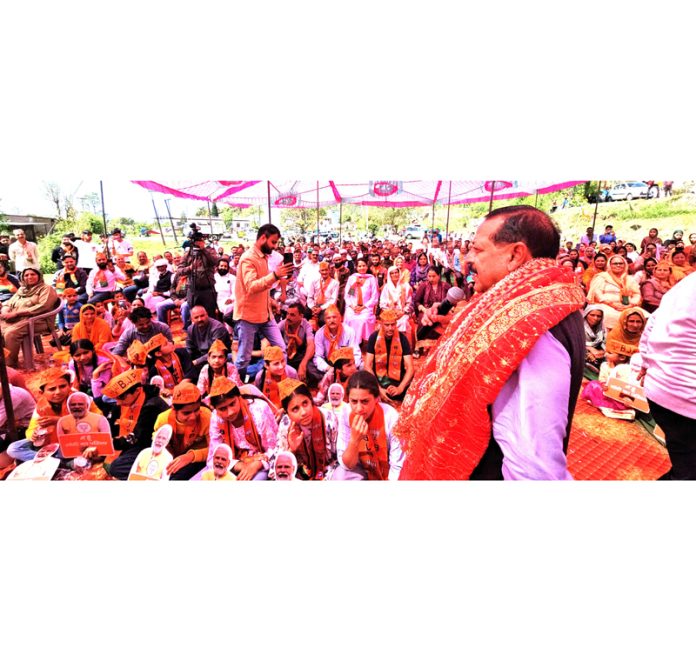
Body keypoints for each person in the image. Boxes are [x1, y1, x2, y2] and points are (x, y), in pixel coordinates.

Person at [394, 205, 586, 480]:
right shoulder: (545, 299)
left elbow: (534, 464)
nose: (467, 259)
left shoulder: (530, 324)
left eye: (478, 250)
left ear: (515, 254)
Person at [638, 272, 696, 479]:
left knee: (684, 469)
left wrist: (647, 363)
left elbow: (652, 323)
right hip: (686, 396)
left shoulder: (685, 285)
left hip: (662, 388)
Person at [233, 224, 293, 381]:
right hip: (248, 316)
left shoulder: (263, 257)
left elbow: (262, 287)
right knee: (243, 358)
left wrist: (271, 301)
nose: (275, 247)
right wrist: (275, 275)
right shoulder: (248, 258)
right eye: (273, 242)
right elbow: (251, 286)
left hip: (266, 314)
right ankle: (238, 387)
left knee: (281, 349)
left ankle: (280, 381)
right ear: (262, 238)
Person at [330, 371, 404, 481]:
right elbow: (346, 465)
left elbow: (397, 465)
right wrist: (354, 440)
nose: (359, 409)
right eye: (354, 401)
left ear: (377, 399)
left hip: (385, 468)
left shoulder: (391, 416)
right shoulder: (346, 413)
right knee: (340, 476)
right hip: (359, 467)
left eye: (365, 401)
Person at [101, 369, 170, 480]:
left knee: (116, 467)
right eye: (116, 398)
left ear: (137, 390)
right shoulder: (123, 403)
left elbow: (137, 438)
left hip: (152, 445)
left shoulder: (152, 406)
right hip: (135, 442)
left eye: (121, 397)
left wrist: (107, 445)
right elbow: (112, 427)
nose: (118, 402)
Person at [206, 376, 279, 481]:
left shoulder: (259, 411)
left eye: (232, 404)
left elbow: (276, 448)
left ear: (239, 397)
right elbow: (214, 454)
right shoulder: (216, 417)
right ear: (215, 408)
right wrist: (240, 465)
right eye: (222, 409)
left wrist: (256, 464)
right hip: (234, 462)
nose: (230, 412)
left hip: (261, 461)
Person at [275, 378, 338, 480]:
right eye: (295, 409)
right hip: (300, 474)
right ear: (287, 412)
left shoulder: (328, 418)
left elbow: (338, 457)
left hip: (329, 471)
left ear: (311, 401)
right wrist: (292, 449)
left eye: (305, 403)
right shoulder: (286, 425)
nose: (303, 412)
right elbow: (279, 467)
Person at [0, 268, 59, 368]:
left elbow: (43, 306)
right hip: (18, 319)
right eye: (26, 275)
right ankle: (2, 358)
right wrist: (5, 309)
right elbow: (10, 303)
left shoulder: (46, 289)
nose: (29, 277)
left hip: (39, 320)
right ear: (22, 277)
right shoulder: (22, 290)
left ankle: (9, 364)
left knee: (11, 333)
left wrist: (17, 313)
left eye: (33, 274)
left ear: (39, 276)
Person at [152, 381, 211, 480]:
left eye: (196, 410)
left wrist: (190, 456)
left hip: (198, 459)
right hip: (171, 457)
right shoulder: (163, 419)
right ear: (174, 409)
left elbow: (215, 449)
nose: (192, 417)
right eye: (186, 413)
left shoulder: (206, 416)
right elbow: (156, 444)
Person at [364, 309, 414, 403]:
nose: (390, 328)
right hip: (378, 379)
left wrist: (400, 388)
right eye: (387, 325)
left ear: (396, 324)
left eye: (393, 324)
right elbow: (367, 365)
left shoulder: (402, 339)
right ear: (381, 324)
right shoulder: (374, 337)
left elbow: (410, 367)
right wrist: (378, 388)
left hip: (397, 379)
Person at [587, 255, 641, 331]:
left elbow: (636, 294)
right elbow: (597, 293)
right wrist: (612, 304)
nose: (618, 265)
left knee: (641, 315)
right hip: (606, 304)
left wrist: (631, 304)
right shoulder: (602, 277)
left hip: (627, 305)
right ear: (610, 265)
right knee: (609, 315)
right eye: (615, 263)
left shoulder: (629, 279)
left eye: (620, 263)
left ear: (625, 265)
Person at [313, 305, 362, 379]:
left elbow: (356, 353)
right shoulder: (319, 334)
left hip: (347, 364)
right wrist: (328, 368)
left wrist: (348, 368)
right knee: (311, 368)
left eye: (334, 317)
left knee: (362, 366)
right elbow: (318, 356)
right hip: (329, 364)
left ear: (340, 318)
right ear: (325, 320)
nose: (332, 320)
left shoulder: (349, 331)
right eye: (328, 318)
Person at [177, 230, 219, 317]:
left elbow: (215, 261)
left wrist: (203, 249)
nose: (199, 242)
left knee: (210, 314)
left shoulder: (209, 252)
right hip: (193, 290)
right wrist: (190, 268)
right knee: (194, 314)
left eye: (201, 240)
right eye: (197, 241)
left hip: (208, 289)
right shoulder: (187, 255)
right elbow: (179, 271)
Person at [277, 302, 316, 384]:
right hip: (285, 355)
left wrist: (303, 363)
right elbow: (271, 336)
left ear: (301, 316)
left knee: (311, 370)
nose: (288, 317)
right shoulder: (283, 323)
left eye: (292, 315)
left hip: (299, 355)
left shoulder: (306, 325)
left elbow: (311, 345)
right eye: (287, 314)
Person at [186, 305, 231, 374]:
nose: (200, 319)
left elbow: (215, 351)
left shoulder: (217, 328)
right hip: (201, 357)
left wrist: (196, 362)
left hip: (218, 357)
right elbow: (189, 349)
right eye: (196, 317)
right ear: (192, 319)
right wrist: (188, 362)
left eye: (202, 316)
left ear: (207, 315)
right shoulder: (190, 329)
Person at [343, 257, 379, 345]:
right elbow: (348, 295)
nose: (362, 268)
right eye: (360, 266)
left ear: (367, 267)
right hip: (353, 307)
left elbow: (374, 297)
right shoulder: (352, 278)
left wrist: (363, 307)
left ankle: (360, 341)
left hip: (366, 307)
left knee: (364, 319)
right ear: (356, 267)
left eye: (364, 266)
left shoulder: (371, 279)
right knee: (349, 318)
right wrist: (352, 306)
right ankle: (350, 341)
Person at [254, 345, 299, 410]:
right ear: (267, 366)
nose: (281, 367)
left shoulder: (292, 373)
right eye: (276, 364)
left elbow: (298, 396)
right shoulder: (260, 377)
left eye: (282, 361)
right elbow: (258, 399)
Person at [379, 265, 414, 336]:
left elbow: (409, 302)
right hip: (389, 312)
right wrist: (390, 311)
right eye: (392, 273)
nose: (394, 274)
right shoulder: (386, 287)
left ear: (399, 273)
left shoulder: (405, 286)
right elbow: (382, 303)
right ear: (389, 275)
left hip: (402, 312)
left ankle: (402, 343)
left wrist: (403, 312)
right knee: (388, 323)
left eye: (396, 272)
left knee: (403, 322)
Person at [583, 305, 606, 372]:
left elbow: (606, 344)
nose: (595, 318)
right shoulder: (579, 328)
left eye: (599, 316)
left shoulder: (602, 329)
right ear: (586, 314)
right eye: (592, 315)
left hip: (599, 355)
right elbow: (577, 343)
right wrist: (589, 348)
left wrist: (601, 352)